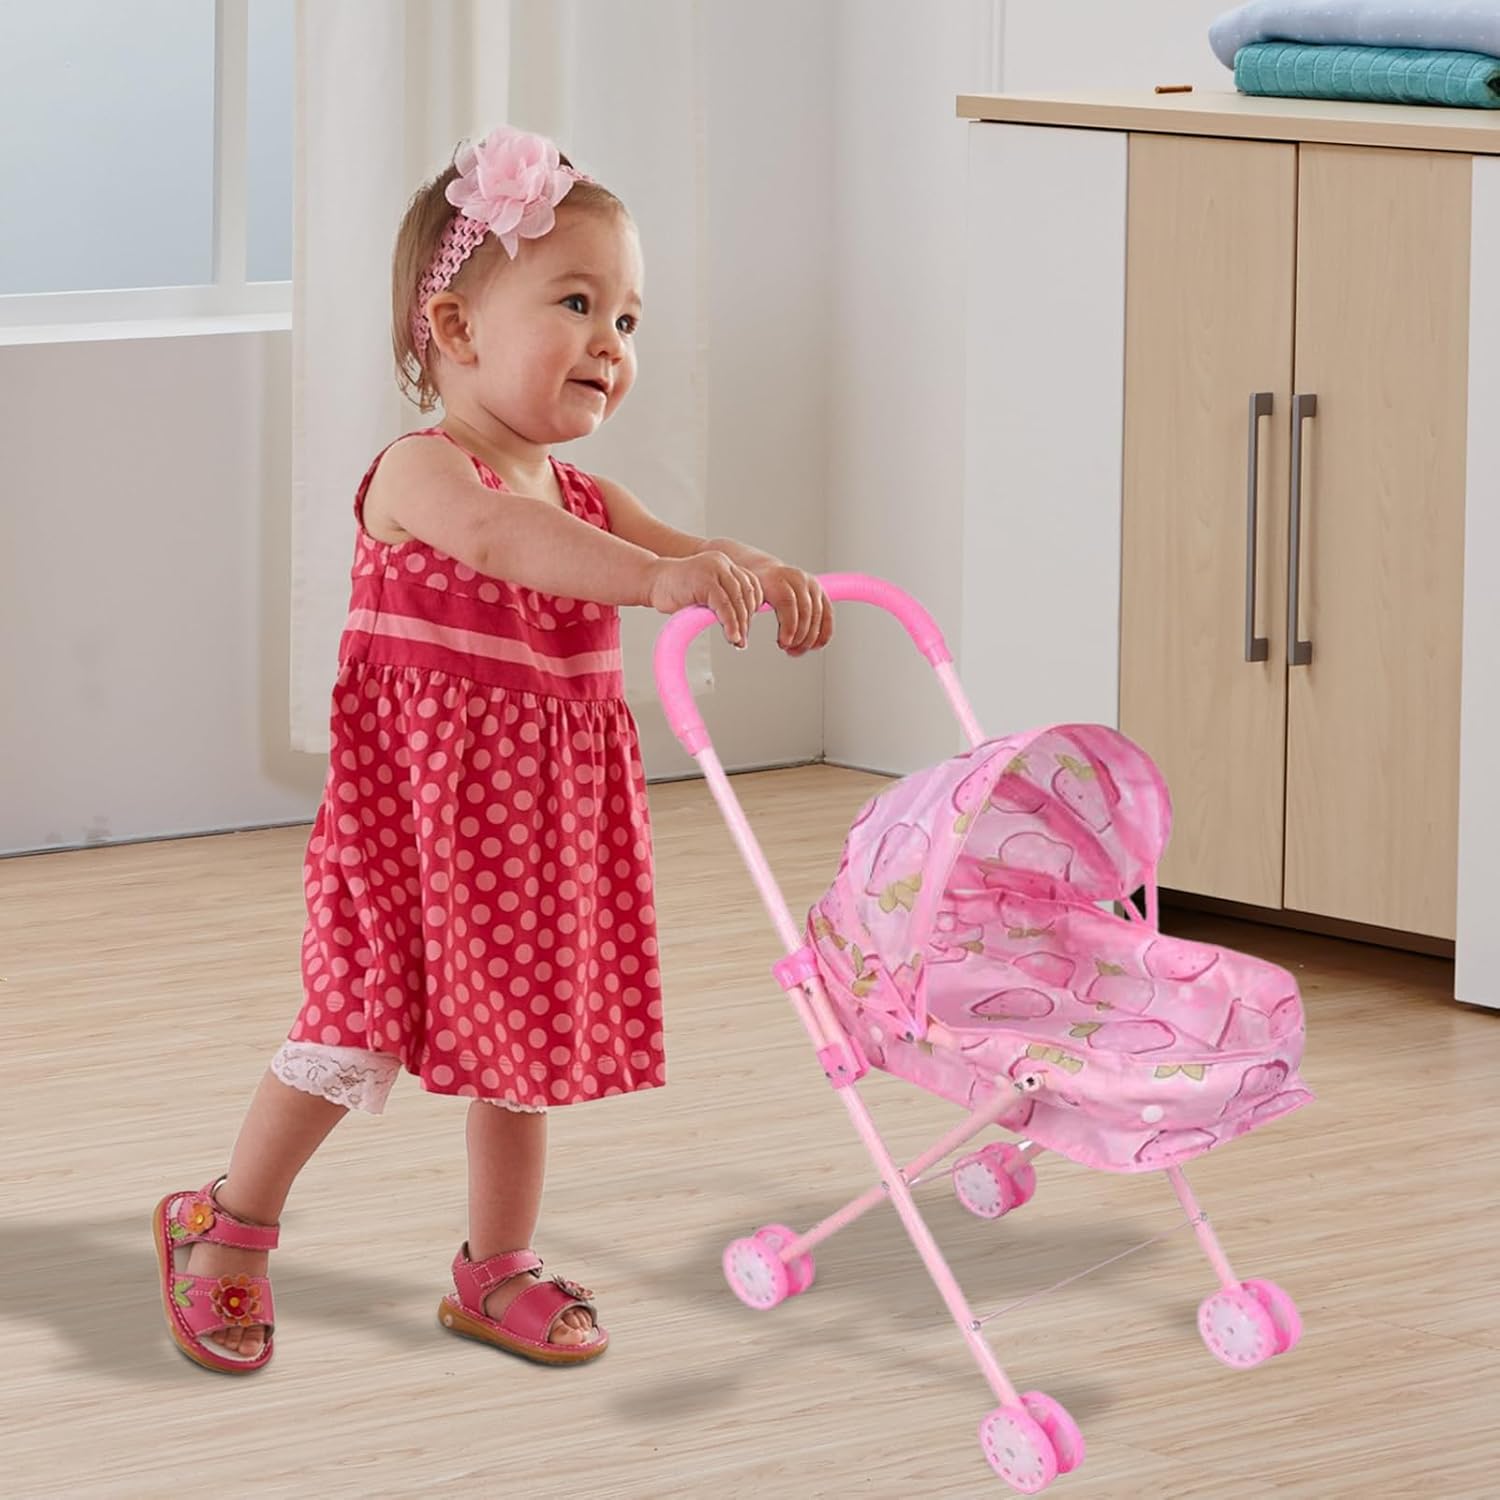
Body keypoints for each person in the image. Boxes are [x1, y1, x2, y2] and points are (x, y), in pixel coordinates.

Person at [152, 124, 833, 1373]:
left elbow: (676, 548)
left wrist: (751, 567)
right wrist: (659, 579)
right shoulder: (423, 473)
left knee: (522, 1053)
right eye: (576, 304)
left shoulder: (589, 500)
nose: (611, 342)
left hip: (538, 828)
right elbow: (502, 543)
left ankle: (497, 1266)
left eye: (628, 319)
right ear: (455, 328)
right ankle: (227, 1223)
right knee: (351, 1029)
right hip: (411, 828)